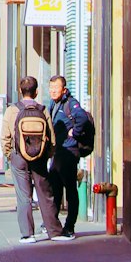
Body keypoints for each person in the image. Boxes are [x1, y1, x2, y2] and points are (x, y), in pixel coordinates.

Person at [1, 77, 64, 243]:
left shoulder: (12, 110)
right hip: (40, 158)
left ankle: (27, 234)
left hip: (18, 157)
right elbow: (52, 137)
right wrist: (46, 155)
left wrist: (10, 155)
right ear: (36, 92)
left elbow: (5, 137)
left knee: (24, 196)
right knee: (45, 194)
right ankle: (54, 231)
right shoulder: (43, 110)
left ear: (20, 91)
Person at [48, 74, 89, 238]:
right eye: (51, 88)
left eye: (56, 88)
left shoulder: (70, 103)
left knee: (70, 190)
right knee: (54, 189)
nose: (53, 91)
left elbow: (82, 118)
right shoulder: (54, 103)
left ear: (63, 89)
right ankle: (53, 223)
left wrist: (75, 133)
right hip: (58, 153)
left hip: (69, 152)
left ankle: (70, 226)